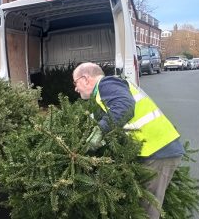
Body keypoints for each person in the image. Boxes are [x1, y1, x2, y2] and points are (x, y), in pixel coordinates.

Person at [72, 62, 184, 219]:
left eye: (75, 82)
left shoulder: (107, 84)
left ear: (85, 78)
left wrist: (99, 132)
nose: (75, 88)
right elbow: (112, 114)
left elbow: (124, 106)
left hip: (159, 150)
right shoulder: (105, 92)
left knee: (147, 209)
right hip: (155, 149)